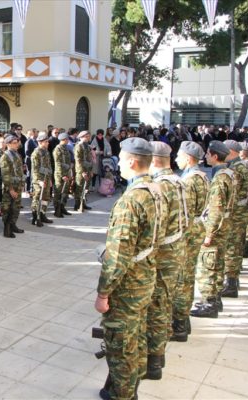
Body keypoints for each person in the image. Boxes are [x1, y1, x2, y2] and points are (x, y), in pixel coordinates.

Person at [95, 138, 160, 400]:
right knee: (136, 335)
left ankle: (122, 394)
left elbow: (118, 256)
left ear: (132, 162)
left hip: (128, 284)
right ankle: (131, 386)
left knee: (121, 343)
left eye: (121, 159)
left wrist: (103, 293)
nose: (118, 163)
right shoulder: (156, 190)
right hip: (145, 275)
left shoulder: (131, 201)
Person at [145, 141, 188, 380]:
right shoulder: (178, 181)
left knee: (156, 307)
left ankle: (153, 361)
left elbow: (155, 228)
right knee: (165, 302)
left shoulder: (159, 186)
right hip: (176, 248)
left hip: (163, 254)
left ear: (153, 160)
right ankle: (158, 354)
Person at [190, 141, 237, 319]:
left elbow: (216, 208)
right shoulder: (229, 173)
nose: (206, 157)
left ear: (215, 156)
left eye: (208, 154)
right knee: (217, 263)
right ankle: (215, 299)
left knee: (208, 265)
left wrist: (209, 233)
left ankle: (209, 303)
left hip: (216, 227)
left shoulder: (219, 178)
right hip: (225, 225)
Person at [171, 141, 209, 342]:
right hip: (196, 227)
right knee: (187, 276)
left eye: (179, 156)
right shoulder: (202, 176)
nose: (176, 159)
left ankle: (179, 324)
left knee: (181, 279)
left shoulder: (189, 181)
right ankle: (183, 321)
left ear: (188, 158)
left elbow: (184, 211)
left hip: (188, 231)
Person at [220, 140, 248, 298]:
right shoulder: (242, 166)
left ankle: (231, 283)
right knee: (236, 246)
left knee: (232, 247)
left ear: (231, 151)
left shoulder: (236, 168)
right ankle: (233, 280)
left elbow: (233, 193)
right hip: (241, 211)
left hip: (235, 213)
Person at [0, 135, 25, 238]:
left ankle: (13, 225)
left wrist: (22, 184)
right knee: (7, 208)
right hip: (10, 187)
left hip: (18, 185)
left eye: (17, 142)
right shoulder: (5, 157)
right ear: (8, 144)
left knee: (16, 207)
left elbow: (20, 171)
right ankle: (7, 229)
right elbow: (5, 175)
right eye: (14, 143)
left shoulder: (17, 155)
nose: (17, 145)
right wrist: (10, 189)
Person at [30, 131, 54, 227]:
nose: (48, 143)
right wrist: (39, 180)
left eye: (47, 141)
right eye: (46, 142)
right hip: (39, 180)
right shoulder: (36, 153)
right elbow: (35, 169)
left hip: (46, 178)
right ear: (40, 142)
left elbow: (48, 166)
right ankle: (35, 217)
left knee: (45, 198)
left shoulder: (46, 152)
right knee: (37, 198)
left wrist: (50, 179)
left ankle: (42, 214)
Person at [52, 132, 73, 218]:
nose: (68, 141)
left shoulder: (65, 148)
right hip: (60, 174)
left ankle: (62, 207)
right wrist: (62, 175)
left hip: (67, 173)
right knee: (58, 192)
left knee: (65, 192)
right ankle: (57, 209)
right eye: (67, 139)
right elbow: (58, 163)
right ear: (63, 140)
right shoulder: (58, 149)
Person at [74, 130, 93, 211]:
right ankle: (77, 205)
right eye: (87, 136)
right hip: (81, 171)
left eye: (89, 136)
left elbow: (89, 159)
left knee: (86, 188)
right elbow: (78, 160)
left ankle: (83, 203)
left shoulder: (87, 146)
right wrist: (82, 172)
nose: (88, 138)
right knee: (79, 188)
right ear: (81, 137)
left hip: (87, 169)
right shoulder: (78, 146)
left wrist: (91, 170)